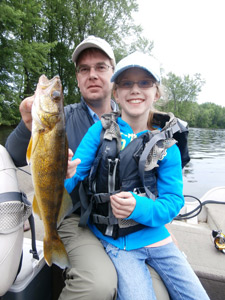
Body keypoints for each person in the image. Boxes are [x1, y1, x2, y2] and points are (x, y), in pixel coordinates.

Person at [5, 37, 169, 300]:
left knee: (159, 294)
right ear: (78, 78)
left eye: (101, 67)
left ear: (114, 76)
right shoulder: (62, 116)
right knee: (97, 284)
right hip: (73, 215)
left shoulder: (135, 117)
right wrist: (27, 126)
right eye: (84, 69)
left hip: (126, 222)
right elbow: (12, 155)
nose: (92, 74)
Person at [65, 52, 210, 300]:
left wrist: (138, 207)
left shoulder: (168, 145)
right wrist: (65, 171)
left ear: (156, 93)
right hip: (116, 242)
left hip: (158, 239)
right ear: (116, 93)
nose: (135, 90)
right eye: (126, 83)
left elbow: (173, 202)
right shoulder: (98, 131)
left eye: (144, 83)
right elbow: (73, 179)